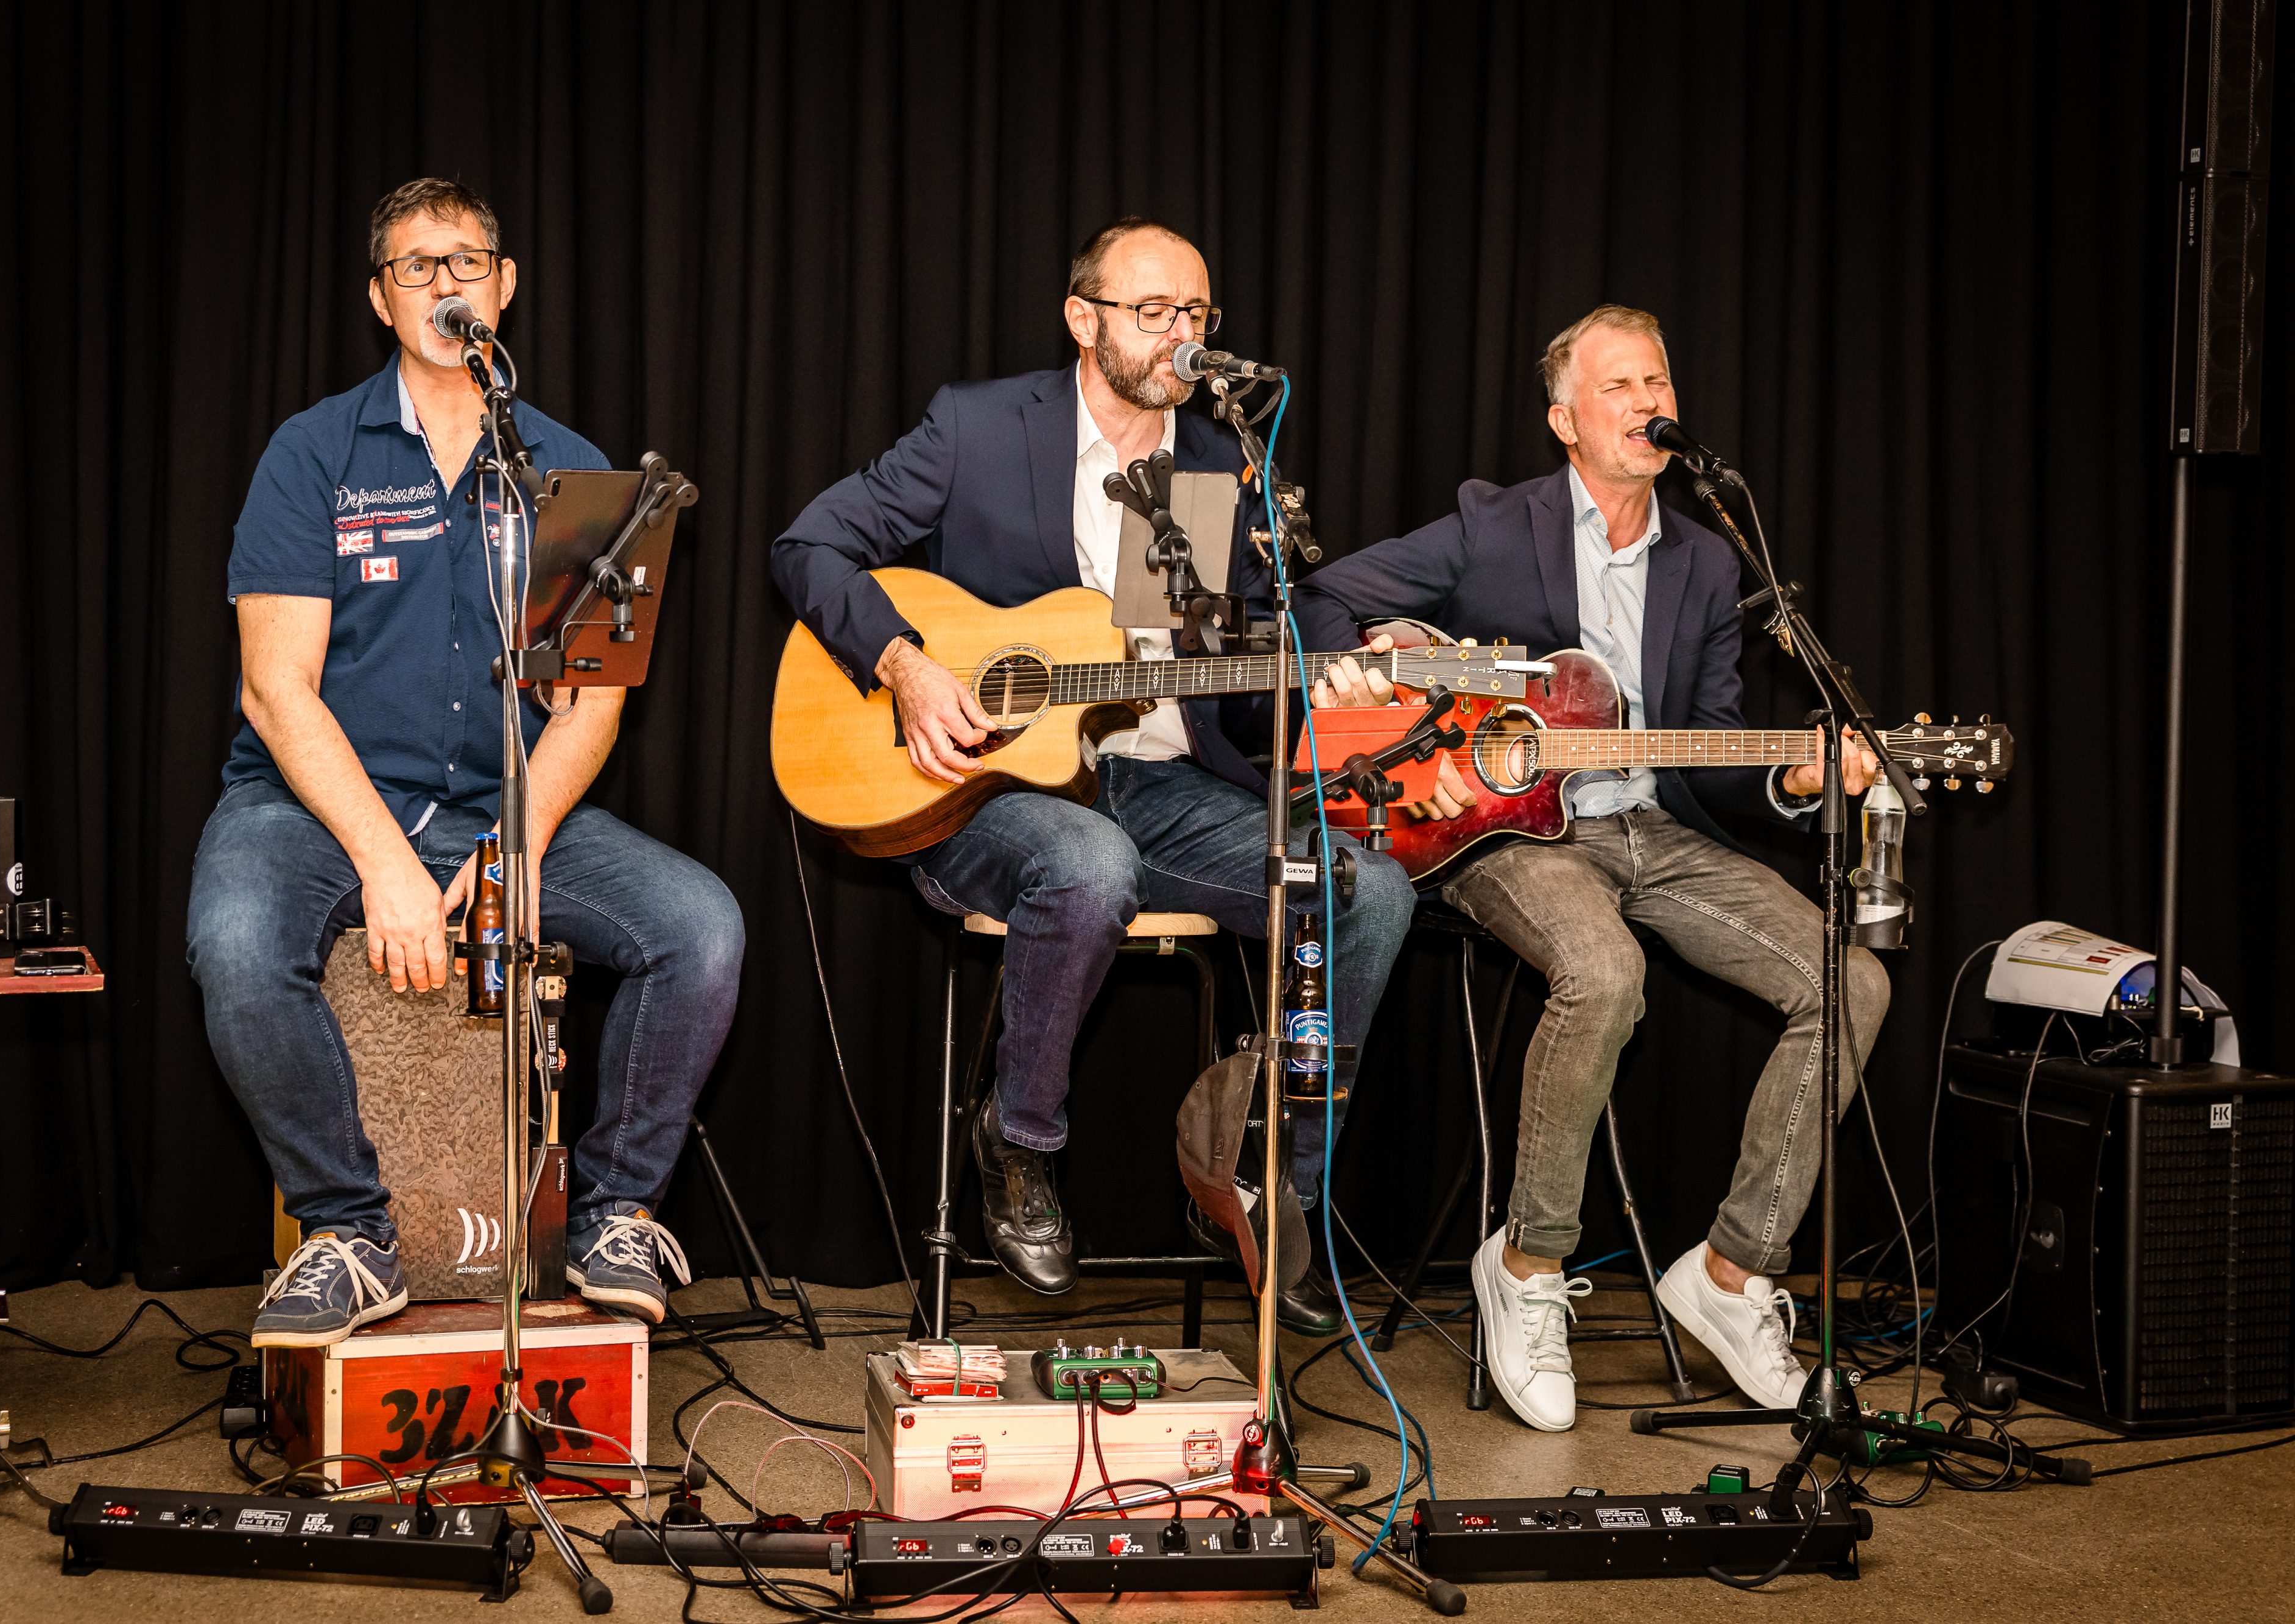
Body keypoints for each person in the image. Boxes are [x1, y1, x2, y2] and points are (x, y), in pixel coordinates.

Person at [772, 218, 1414, 1332]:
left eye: (1197, 313)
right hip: (985, 789)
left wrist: (1333, 666)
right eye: (1154, 311)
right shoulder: (979, 426)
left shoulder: (1211, 466)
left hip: (1161, 786)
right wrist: (906, 666)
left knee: (1370, 892)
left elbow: (1227, 654)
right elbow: (807, 547)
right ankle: (1020, 1142)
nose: (1182, 335)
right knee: (1089, 860)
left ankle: (1270, 1187)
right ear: (1084, 319)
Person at [1296, 304, 1889, 1430]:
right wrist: (1375, 669)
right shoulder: (1492, 522)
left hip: (1651, 828)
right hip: (1506, 830)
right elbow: (1323, 597)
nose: (1647, 402)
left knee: (1851, 981)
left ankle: (1729, 1276)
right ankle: (1527, 1265)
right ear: (1565, 420)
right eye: (1619, 385)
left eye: (1657, 381)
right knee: (1606, 974)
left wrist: (1794, 779)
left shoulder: (1708, 560)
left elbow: (1711, 752)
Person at [187, 178, 745, 1348]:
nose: (445, 284)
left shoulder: (572, 470)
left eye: (467, 263)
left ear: (505, 286)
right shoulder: (314, 453)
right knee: (236, 941)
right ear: (381, 299)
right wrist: (385, 863)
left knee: (700, 928)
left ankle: (615, 1214)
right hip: (316, 803)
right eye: (417, 266)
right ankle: (349, 1234)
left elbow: (591, 702)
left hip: (503, 800)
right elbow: (275, 689)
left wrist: (516, 852)